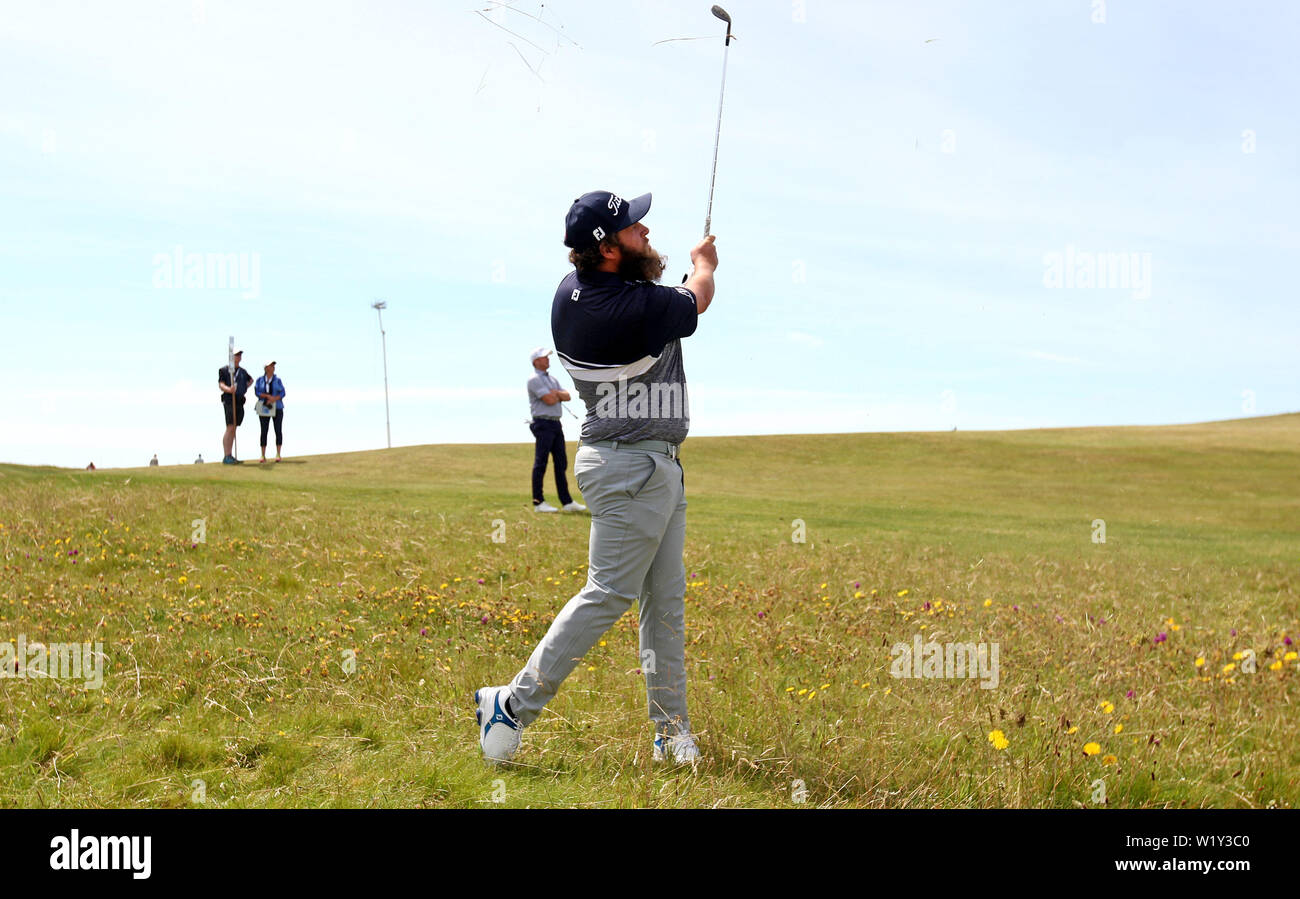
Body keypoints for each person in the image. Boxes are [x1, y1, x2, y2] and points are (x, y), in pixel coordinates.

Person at [475, 190, 718, 766]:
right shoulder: (634, 308)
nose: (645, 229)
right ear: (607, 249)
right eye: (633, 227)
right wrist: (703, 265)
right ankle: (510, 704)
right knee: (608, 594)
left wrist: (679, 282)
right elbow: (697, 297)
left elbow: (670, 300)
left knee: (665, 601)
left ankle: (670, 729)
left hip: (648, 464)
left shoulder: (573, 296)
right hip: (634, 464)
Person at [526, 347, 585, 513]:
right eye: (544, 357)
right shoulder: (534, 379)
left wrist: (556, 393)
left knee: (561, 463)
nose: (547, 359)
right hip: (542, 424)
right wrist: (557, 394)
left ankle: (566, 502)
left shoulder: (551, 379)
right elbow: (550, 400)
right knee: (541, 463)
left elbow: (567, 396)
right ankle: (539, 502)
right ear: (536, 361)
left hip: (555, 424)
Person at [218, 350, 252, 464]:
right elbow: (221, 384)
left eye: (239, 355)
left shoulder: (243, 372)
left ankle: (230, 455)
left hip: (239, 400)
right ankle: (226, 455)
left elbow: (250, 380)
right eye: (236, 355)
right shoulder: (224, 370)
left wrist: (243, 388)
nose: (238, 357)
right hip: (229, 400)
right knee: (230, 427)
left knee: (234, 427)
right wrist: (229, 389)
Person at [255, 361, 286, 463]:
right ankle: (263, 455)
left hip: (277, 407)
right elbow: (257, 392)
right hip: (264, 407)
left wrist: (274, 398)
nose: (273, 367)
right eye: (270, 366)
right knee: (264, 430)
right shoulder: (260, 380)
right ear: (266, 368)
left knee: (278, 430)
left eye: (273, 366)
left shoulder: (277, 380)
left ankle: (278, 454)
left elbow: (283, 392)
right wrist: (267, 396)